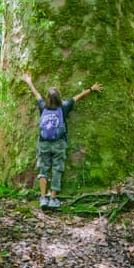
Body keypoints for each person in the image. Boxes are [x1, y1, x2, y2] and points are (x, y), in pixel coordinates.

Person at [23, 72, 102, 210]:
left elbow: (36, 95)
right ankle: (53, 199)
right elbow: (78, 97)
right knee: (57, 169)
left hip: (44, 143)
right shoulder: (64, 107)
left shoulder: (43, 106)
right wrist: (91, 88)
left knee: (44, 169)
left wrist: (29, 81)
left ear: (48, 99)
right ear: (59, 98)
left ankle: (42, 198)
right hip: (59, 143)